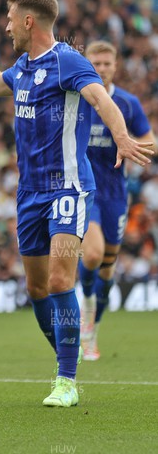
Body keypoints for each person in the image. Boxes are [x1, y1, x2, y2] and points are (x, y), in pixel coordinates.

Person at [0, 0, 154, 407]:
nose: (4, 26)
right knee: (38, 289)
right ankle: (65, 354)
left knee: (60, 280)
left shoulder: (68, 61)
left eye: (9, 18)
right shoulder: (21, 66)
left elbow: (101, 99)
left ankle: (67, 380)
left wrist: (122, 137)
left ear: (28, 22)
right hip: (28, 193)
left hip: (68, 188)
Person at [79, 40, 155, 360]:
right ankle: (85, 309)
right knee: (93, 255)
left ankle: (93, 326)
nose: (102, 68)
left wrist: (133, 144)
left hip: (115, 194)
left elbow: (149, 142)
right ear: (87, 64)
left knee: (108, 270)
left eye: (107, 63)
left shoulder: (127, 103)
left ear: (115, 66)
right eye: (95, 62)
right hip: (84, 190)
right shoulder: (77, 99)